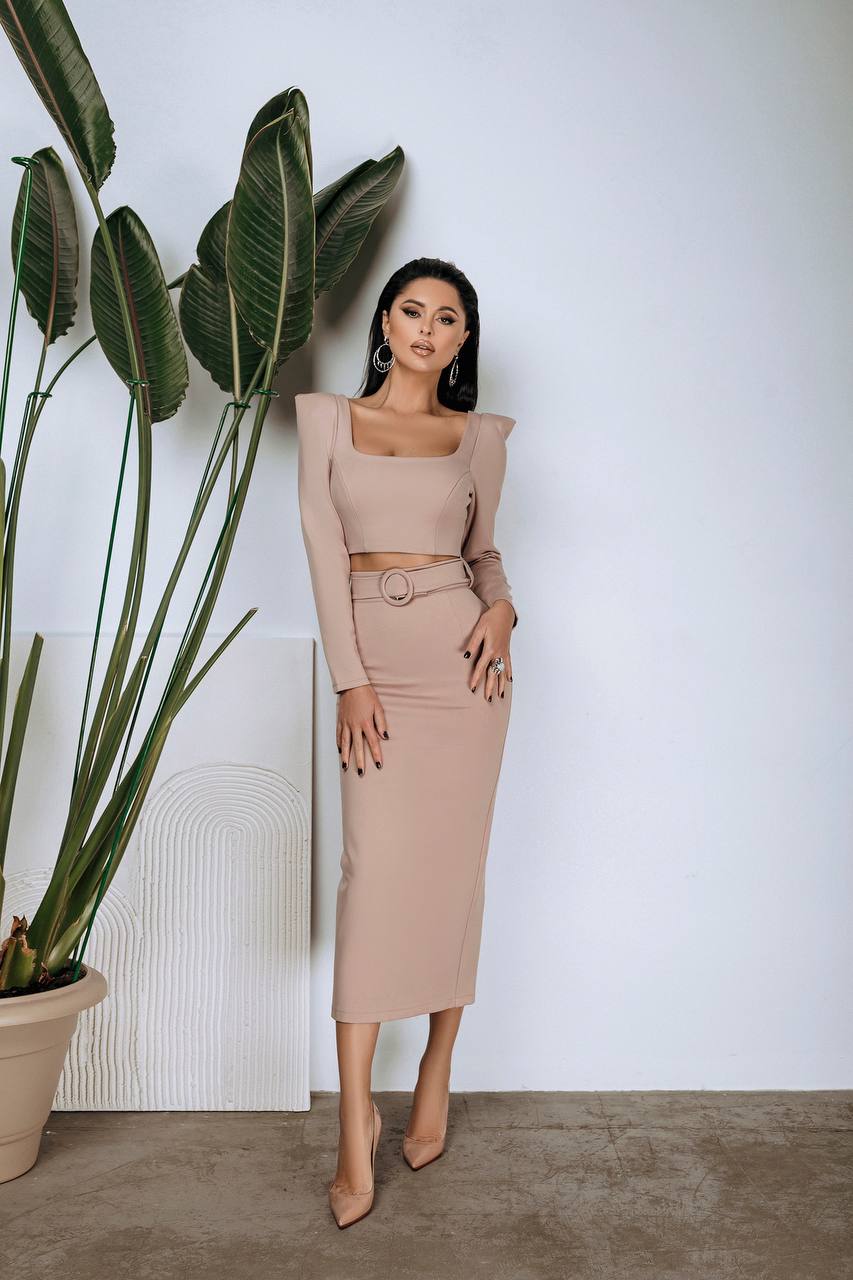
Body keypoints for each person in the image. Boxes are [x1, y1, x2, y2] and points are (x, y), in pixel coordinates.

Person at [295, 256, 518, 1228]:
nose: (428, 328)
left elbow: (483, 552)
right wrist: (349, 678)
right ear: (384, 322)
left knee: (452, 873)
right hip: (375, 672)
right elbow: (322, 548)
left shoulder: (476, 438)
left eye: (447, 318)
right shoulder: (326, 421)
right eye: (412, 310)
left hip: (464, 672)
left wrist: (503, 608)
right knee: (372, 877)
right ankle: (355, 1120)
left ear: (463, 339)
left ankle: (435, 1066)